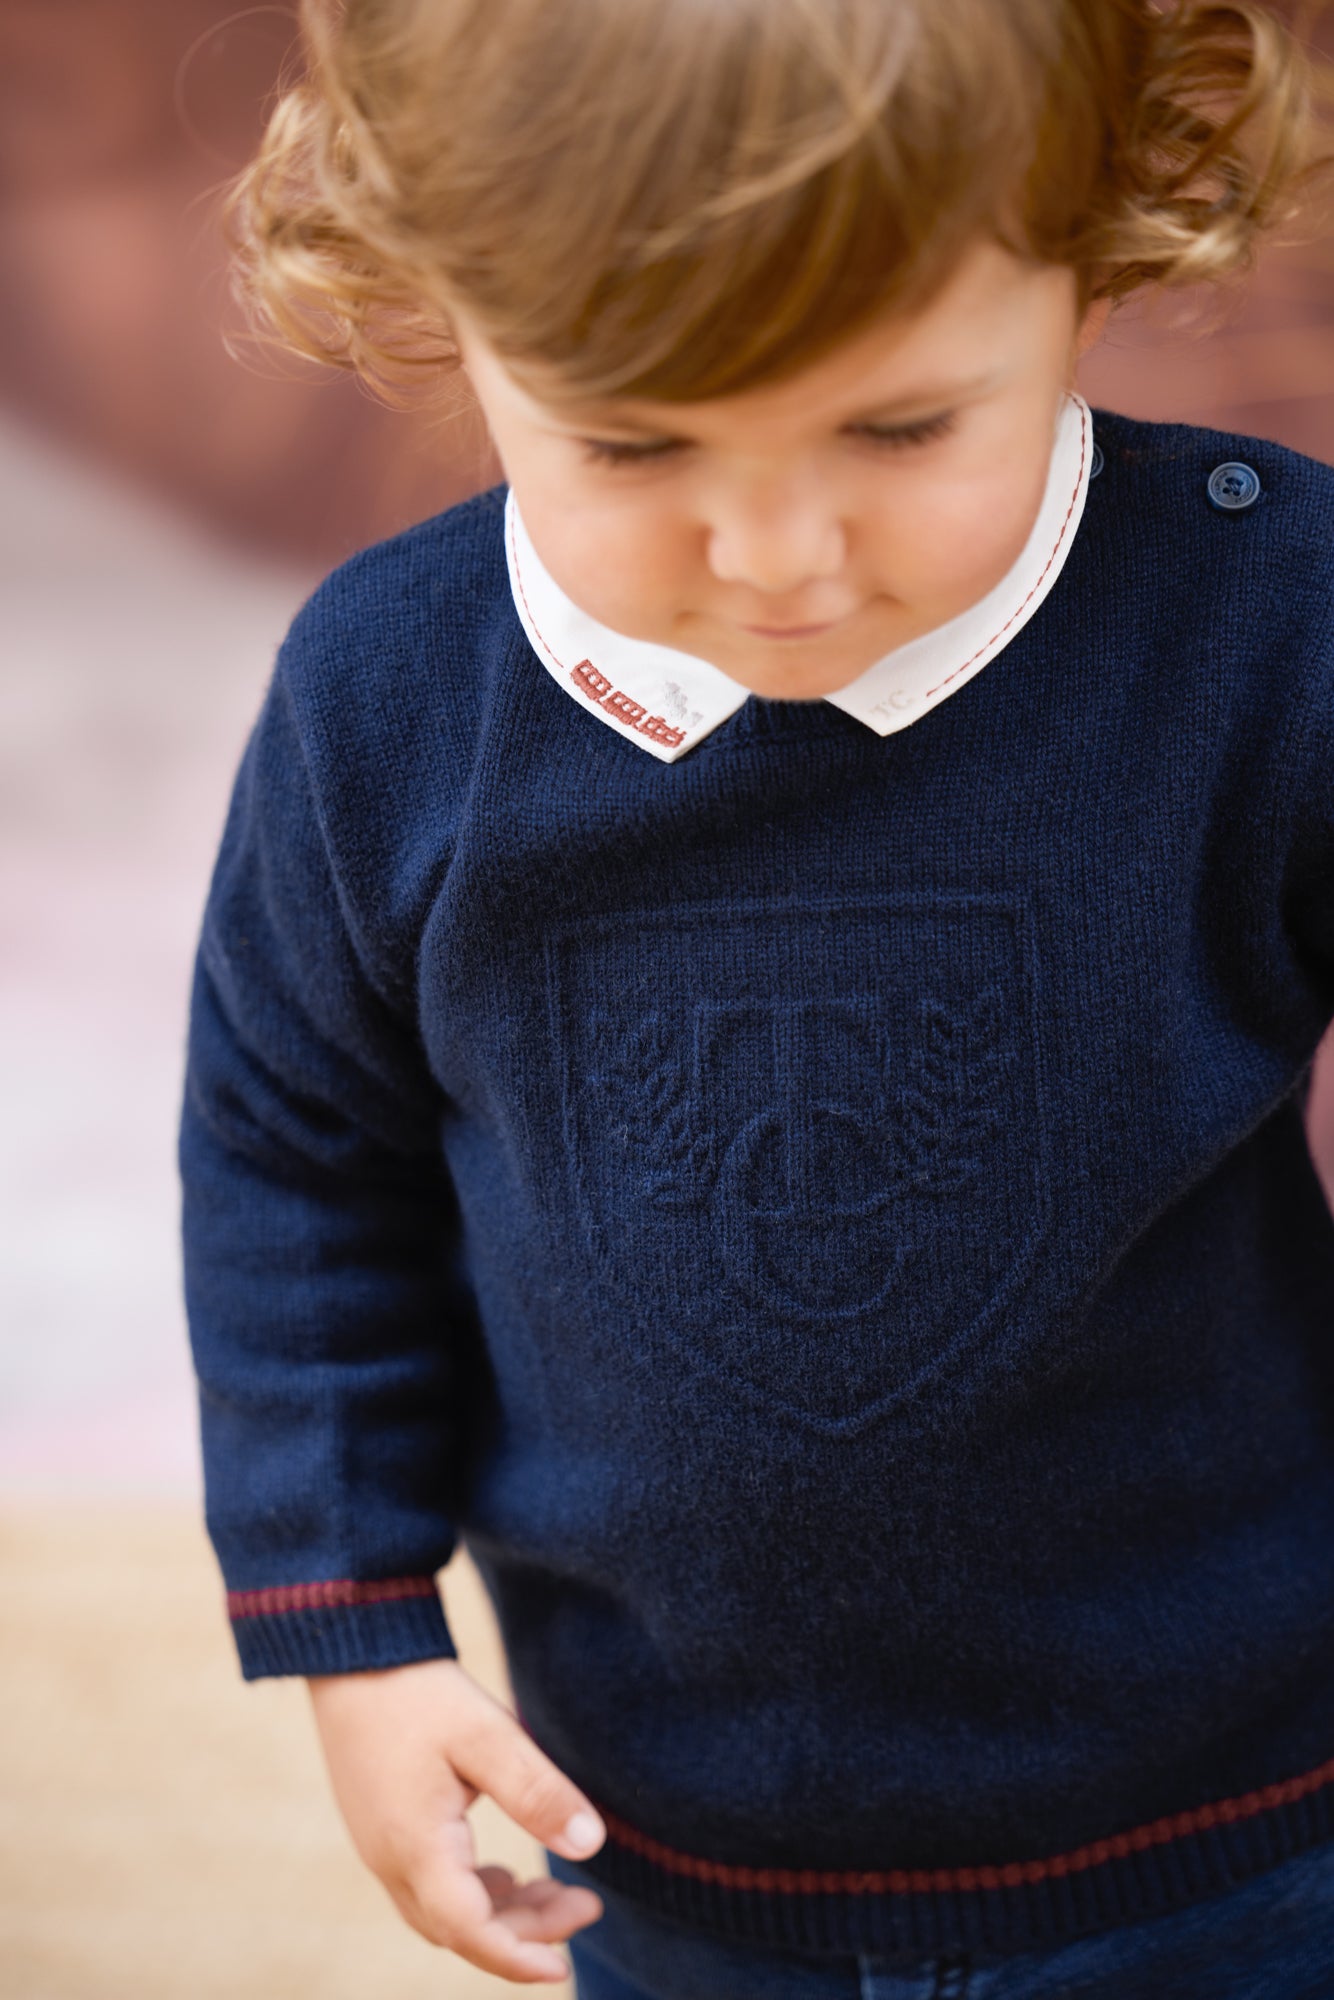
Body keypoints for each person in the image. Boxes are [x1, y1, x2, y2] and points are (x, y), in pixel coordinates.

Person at [177, 0, 1334, 1992]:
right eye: (635, 444)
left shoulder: (1270, 627)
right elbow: (291, 1156)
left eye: (901, 428)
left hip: (1237, 1824)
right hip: (664, 1847)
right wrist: (353, 1631)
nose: (776, 555)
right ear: (445, 302)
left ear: (1093, 250)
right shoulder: (383, 701)